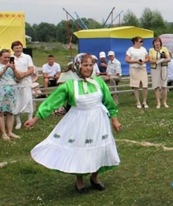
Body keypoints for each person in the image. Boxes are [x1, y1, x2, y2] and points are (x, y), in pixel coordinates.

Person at [25, 53, 121, 194]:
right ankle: (79, 181)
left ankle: (95, 178)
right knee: (80, 149)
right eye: (85, 65)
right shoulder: (69, 85)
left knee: (99, 149)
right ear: (78, 66)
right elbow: (52, 102)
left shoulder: (98, 82)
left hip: (99, 121)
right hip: (79, 121)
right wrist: (35, 118)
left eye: (90, 65)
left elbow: (108, 102)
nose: (88, 68)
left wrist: (114, 119)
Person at [0, 49, 22, 141]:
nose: (7, 59)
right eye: (5, 57)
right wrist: (4, 69)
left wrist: (14, 69)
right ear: (0, 57)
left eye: (9, 57)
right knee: (0, 112)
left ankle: (10, 132)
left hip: (11, 90)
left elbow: (19, 77)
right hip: (0, 91)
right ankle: (3, 133)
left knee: (10, 112)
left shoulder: (12, 66)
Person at [11, 41, 35, 130]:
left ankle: (30, 121)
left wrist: (23, 75)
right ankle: (18, 122)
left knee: (28, 101)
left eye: (20, 47)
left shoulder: (27, 57)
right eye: (16, 48)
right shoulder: (11, 58)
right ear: (13, 49)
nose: (18, 49)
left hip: (26, 82)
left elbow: (31, 69)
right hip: (15, 83)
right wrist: (16, 78)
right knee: (16, 103)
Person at [125, 36, 149, 109]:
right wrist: (136, 61)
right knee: (136, 86)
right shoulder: (130, 49)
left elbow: (147, 58)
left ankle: (144, 101)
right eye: (140, 41)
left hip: (142, 68)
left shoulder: (143, 49)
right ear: (135, 42)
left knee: (145, 85)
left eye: (142, 41)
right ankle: (138, 101)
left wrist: (143, 61)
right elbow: (127, 60)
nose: (141, 43)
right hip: (134, 68)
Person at [149, 36, 171, 109]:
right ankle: (158, 102)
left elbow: (168, 58)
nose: (157, 43)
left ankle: (164, 102)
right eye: (155, 42)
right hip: (155, 69)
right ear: (154, 43)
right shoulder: (151, 50)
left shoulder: (164, 49)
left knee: (164, 86)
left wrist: (163, 60)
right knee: (156, 86)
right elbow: (150, 60)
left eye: (158, 42)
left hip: (163, 67)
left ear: (160, 42)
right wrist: (158, 60)